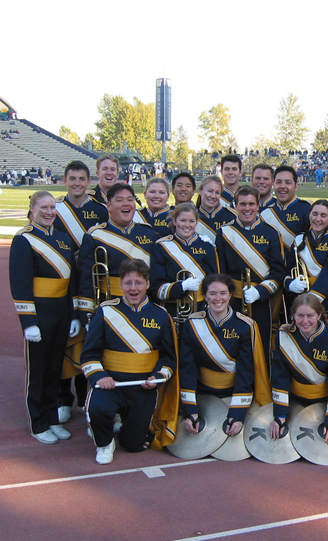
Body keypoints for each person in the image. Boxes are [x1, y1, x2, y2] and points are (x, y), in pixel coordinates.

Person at [82, 259, 177, 464]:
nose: (133, 288)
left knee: (134, 445)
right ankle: (104, 441)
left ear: (148, 285)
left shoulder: (160, 315)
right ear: (120, 285)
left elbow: (169, 358)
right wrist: (101, 376)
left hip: (142, 387)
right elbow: (89, 354)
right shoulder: (106, 311)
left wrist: (158, 377)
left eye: (139, 283)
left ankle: (119, 423)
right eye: (128, 283)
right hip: (112, 384)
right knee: (97, 409)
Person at [10, 191, 78, 444]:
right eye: (43, 207)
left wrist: (72, 315)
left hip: (61, 311)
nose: (49, 212)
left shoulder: (63, 239)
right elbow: (20, 283)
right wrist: (28, 322)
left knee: (54, 369)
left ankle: (51, 418)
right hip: (39, 312)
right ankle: (38, 423)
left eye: (52, 207)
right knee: (38, 371)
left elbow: (71, 282)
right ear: (32, 208)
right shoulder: (23, 239)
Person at [269, 293, 328, 452]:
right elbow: (280, 377)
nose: (305, 321)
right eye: (300, 316)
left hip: (324, 402)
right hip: (295, 402)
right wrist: (280, 416)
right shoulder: (283, 336)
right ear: (293, 315)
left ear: (319, 315)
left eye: (310, 316)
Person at [179, 274, 270, 438]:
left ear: (230, 295)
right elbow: (187, 369)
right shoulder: (192, 323)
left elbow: (246, 372)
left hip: (232, 394)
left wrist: (237, 414)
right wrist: (190, 411)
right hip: (203, 395)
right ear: (205, 296)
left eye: (222, 293)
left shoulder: (245, 325)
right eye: (212, 293)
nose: (217, 298)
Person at [53, 161, 108, 419]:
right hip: (61, 281)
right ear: (65, 180)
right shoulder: (55, 209)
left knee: (88, 340)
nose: (77, 183)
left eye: (81, 178)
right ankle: (63, 397)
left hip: (90, 282)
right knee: (64, 339)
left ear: (89, 181)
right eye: (72, 178)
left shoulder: (99, 209)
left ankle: (85, 394)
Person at [216, 186, 287, 361]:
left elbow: (278, 272)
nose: (247, 208)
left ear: (258, 206)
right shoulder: (224, 232)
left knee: (260, 347)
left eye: (251, 204)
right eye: (242, 204)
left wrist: (260, 292)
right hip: (231, 301)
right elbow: (220, 272)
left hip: (261, 301)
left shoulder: (271, 232)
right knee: (231, 347)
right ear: (235, 205)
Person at [76, 183, 159, 320]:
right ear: (108, 205)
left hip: (144, 306)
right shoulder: (95, 236)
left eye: (130, 200)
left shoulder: (149, 234)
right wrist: (86, 314)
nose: (126, 204)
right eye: (119, 200)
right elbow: (86, 278)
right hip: (108, 307)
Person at [150, 203, 219, 321]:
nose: (187, 225)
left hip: (201, 308)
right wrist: (181, 287)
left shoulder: (207, 246)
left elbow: (214, 282)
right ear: (174, 221)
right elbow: (156, 289)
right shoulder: (161, 246)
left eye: (191, 221)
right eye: (182, 220)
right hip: (172, 309)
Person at [284, 200, 328, 320]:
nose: (318, 219)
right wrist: (290, 284)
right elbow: (289, 269)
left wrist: (309, 302)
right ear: (309, 215)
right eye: (315, 214)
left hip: (325, 301)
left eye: (323, 215)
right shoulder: (299, 239)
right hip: (298, 300)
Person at [260, 165, 310, 251]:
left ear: (296, 186)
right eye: (278, 182)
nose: (283, 186)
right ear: (273, 184)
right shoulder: (265, 213)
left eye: (288, 182)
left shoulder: (307, 210)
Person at [195, 175, 236, 243]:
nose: (213, 196)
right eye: (210, 191)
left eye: (217, 193)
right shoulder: (191, 216)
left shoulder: (231, 217)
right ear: (200, 191)